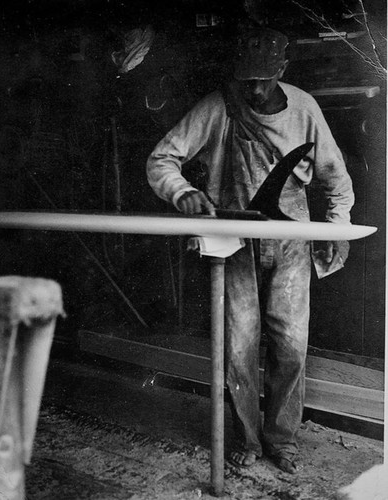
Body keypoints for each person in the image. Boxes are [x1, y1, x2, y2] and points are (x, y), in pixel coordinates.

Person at [146, 27, 354, 474]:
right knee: (239, 346)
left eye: (263, 80)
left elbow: (336, 179)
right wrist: (182, 193)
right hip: (233, 241)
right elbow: (161, 158)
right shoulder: (219, 105)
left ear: (281, 70)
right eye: (247, 81)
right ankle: (248, 438)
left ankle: (282, 440)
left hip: (292, 242)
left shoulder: (304, 109)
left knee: (291, 347)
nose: (254, 90)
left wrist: (337, 228)